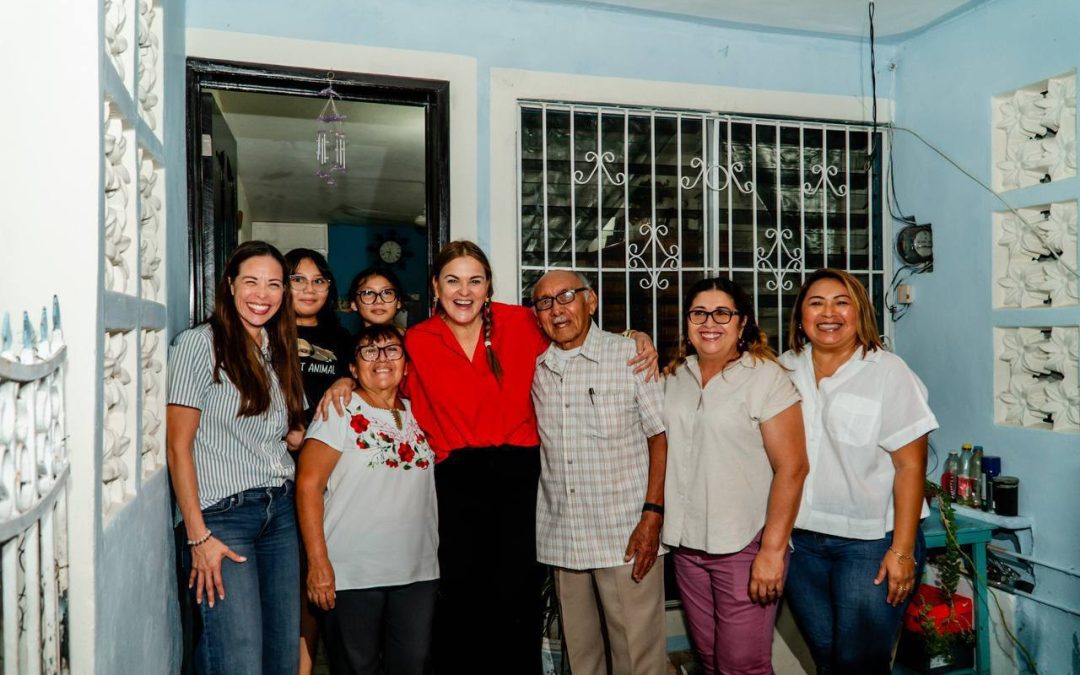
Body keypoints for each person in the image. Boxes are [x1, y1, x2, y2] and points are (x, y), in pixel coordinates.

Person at [317, 240, 658, 674]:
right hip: (453, 487)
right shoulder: (417, 340)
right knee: (460, 608)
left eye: (474, 281)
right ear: (436, 287)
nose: (464, 291)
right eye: (453, 281)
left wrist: (632, 338)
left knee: (517, 605)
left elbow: (573, 328)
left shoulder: (523, 323)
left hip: (520, 482)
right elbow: (380, 378)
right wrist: (344, 382)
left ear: (488, 287)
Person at [779, 268, 937, 674]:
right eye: (816, 303)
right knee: (826, 657)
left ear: (860, 312)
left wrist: (902, 551)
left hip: (870, 544)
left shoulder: (888, 372)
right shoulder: (782, 370)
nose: (828, 313)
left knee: (860, 662)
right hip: (801, 544)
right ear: (800, 315)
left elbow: (910, 465)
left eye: (841, 303)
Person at [166, 240, 306, 675]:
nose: (262, 294)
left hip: (280, 513)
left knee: (281, 658)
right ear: (229, 285)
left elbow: (284, 433)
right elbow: (177, 446)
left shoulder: (277, 347)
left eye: (274, 284)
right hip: (223, 519)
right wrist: (198, 537)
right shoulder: (198, 345)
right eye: (251, 282)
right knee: (238, 659)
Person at [662, 277, 808, 675]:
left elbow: (793, 468)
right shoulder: (675, 376)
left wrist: (772, 552)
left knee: (742, 665)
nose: (709, 323)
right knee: (711, 661)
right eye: (699, 313)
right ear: (687, 322)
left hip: (744, 545)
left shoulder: (765, 377)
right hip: (688, 546)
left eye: (722, 313)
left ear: (742, 323)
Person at [530, 270, 669, 675]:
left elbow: (660, 437)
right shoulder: (535, 366)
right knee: (581, 659)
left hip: (624, 535)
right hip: (565, 537)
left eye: (566, 296)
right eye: (545, 302)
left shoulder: (629, 356)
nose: (557, 309)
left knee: (637, 661)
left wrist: (652, 515)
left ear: (590, 301)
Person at [296, 324, 438, 675]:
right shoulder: (339, 410)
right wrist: (317, 563)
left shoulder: (420, 412)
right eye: (369, 351)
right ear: (353, 368)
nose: (382, 359)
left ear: (406, 365)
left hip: (417, 572)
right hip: (352, 573)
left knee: (413, 666)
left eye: (392, 350)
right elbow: (308, 486)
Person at [284, 247, 352, 675]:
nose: (309, 289)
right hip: (271, 473)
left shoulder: (344, 341)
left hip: (326, 476)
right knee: (287, 581)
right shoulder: (263, 331)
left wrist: (346, 380)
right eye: (298, 279)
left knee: (315, 573)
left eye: (319, 281)